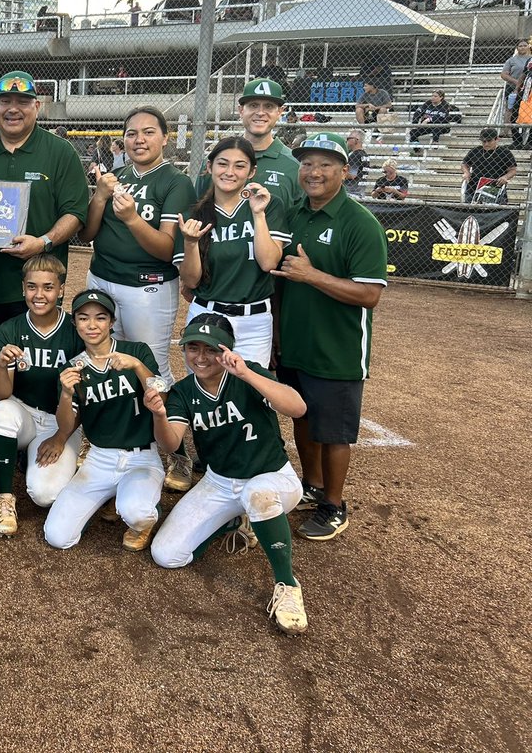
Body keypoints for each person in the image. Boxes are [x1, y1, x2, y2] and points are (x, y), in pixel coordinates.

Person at [147, 313, 310, 636]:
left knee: (258, 495)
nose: (201, 357)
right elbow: (171, 442)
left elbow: (298, 408)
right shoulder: (183, 391)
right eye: (193, 348)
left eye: (210, 349)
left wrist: (248, 374)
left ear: (227, 351)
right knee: (167, 555)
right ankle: (235, 520)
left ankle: (287, 585)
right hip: (219, 482)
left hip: (273, 478)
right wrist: (159, 415)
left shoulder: (246, 375)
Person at [270, 132, 387, 542]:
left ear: (345, 171)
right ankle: (313, 485)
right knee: (303, 418)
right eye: (307, 164)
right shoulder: (297, 212)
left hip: (337, 349)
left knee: (335, 432)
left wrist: (313, 275)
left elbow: (370, 294)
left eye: (325, 165)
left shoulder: (360, 223)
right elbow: (283, 280)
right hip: (295, 343)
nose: (313, 172)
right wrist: (276, 335)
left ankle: (335, 505)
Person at [0, 71, 89, 324]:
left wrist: (43, 243)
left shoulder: (61, 153)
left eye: (23, 102)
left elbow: (75, 213)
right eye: (5, 101)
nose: (13, 109)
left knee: (33, 361)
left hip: (39, 287)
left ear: (37, 107)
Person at [79, 106, 196, 383]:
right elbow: (87, 235)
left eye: (148, 132)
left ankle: (160, 425)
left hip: (146, 287)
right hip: (101, 279)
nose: (139, 140)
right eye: (131, 134)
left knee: (150, 367)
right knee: (103, 360)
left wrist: (132, 219)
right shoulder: (118, 175)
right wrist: (99, 197)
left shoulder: (176, 182)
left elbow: (167, 249)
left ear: (165, 138)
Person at [42, 289, 163, 552]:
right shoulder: (73, 368)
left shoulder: (136, 351)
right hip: (100, 458)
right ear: (75, 323)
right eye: (84, 318)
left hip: (141, 456)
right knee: (57, 537)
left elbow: (162, 393)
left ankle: (145, 512)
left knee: (137, 513)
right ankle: (112, 496)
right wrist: (65, 393)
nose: (92, 325)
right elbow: (65, 427)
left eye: (100, 317)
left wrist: (138, 367)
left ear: (112, 322)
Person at [0, 255, 84, 537]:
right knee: (0, 412)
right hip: (23, 413)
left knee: (45, 495)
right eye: (31, 287)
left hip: (62, 420)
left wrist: (61, 437)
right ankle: (4, 497)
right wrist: (3, 366)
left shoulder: (75, 330)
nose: (39, 295)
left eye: (48, 287)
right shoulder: (11, 328)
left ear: (61, 290)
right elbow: (1, 394)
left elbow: (86, 400)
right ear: (22, 289)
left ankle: (61, 466)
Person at [179, 137, 289, 369]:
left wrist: (258, 214)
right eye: (222, 164)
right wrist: (190, 243)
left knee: (249, 396)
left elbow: (268, 262)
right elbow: (190, 280)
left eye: (240, 166)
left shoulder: (270, 205)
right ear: (209, 167)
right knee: (203, 392)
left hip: (254, 321)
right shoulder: (196, 213)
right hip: (206, 316)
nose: (230, 172)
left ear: (251, 172)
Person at [196, 79, 303, 211]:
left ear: (280, 112)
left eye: (269, 106)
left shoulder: (294, 166)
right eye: (253, 105)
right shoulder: (215, 161)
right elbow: (198, 210)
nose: (260, 112)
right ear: (241, 110)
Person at [462, 128, 518, 203]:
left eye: (489, 141)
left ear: (497, 139)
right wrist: (466, 172)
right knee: (469, 210)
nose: (486, 144)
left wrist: (505, 177)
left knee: (496, 211)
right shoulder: (475, 151)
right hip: (474, 187)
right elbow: (464, 164)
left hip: (495, 187)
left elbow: (513, 170)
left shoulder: (505, 152)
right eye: (484, 141)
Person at [344, 130, 369, 196]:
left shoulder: (355, 155)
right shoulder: (364, 154)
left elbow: (351, 175)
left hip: (351, 191)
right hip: (359, 190)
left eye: (349, 138)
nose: (347, 140)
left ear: (356, 140)